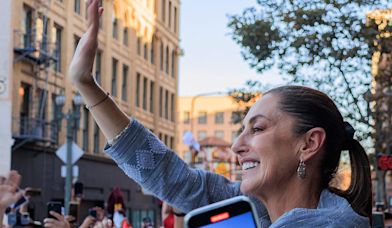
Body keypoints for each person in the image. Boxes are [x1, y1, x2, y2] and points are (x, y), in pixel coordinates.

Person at [70, 0, 372, 227]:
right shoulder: (252, 208)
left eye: (257, 129)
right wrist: (86, 84)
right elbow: (170, 177)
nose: (236, 146)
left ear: (308, 144)